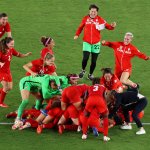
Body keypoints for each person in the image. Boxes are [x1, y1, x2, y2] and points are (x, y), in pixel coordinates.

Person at [74, 4, 116, 80]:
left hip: (96, 43)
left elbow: (108, 27)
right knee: (85, 58)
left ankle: (90, 74)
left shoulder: (100, 19)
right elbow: (80, 27)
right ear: (89, 11)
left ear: (97, 12)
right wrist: (77, 34)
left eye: (95, 11)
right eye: (92, 11)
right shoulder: (85, 18)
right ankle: (83, 70)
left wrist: (112, 26)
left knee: (94, 61)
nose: (93, 13)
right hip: (86, 42)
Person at [0, 37, 32, 107]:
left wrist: (26, 55)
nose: (13, 45)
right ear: (6, 43)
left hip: (7, 71)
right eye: (11, 44)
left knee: (10, 88)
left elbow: (19, 54)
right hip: (1, 72)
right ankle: (1, 102)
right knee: (5, 87)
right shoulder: (1, 51)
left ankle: (1, 93)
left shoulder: (11, 50)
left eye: (13, 44)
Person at [81, 77, 110, 141]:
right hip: (100, 101)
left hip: (90, 100)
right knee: (105, 118)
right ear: (100, 82)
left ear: (93, 82)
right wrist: (105, 105)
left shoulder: (89, 87)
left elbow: (85, 97)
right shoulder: (103, 87)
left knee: (85, 117)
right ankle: (105, 136)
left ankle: (84, 135)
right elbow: (106, 97)